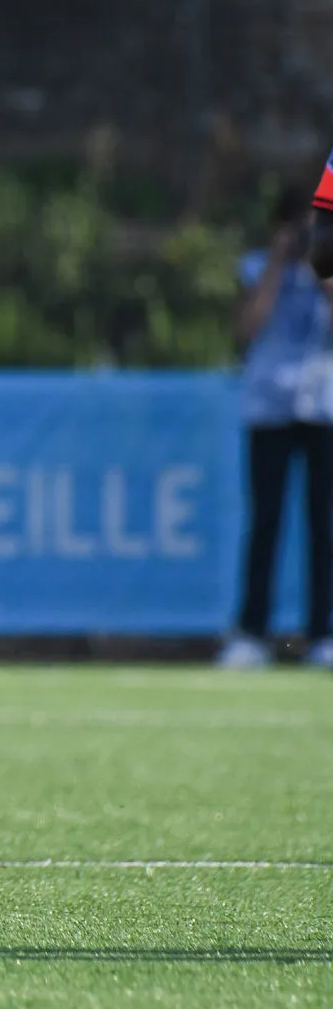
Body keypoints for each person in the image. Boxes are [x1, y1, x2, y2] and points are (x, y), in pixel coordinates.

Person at [220, 185, 333, 669]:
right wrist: (277, 263)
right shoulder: (256, 268)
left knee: (324, 525)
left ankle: (322, 632)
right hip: (268, 408)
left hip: (324, 408)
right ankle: (251, 632)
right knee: (265, 522)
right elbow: (246, 329)